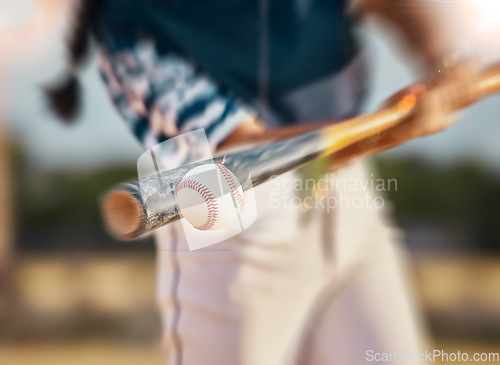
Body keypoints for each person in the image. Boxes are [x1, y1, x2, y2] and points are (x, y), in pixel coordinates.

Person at [46, 0, 478, 364]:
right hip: (230, 211)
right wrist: (384, 131)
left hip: (352, 193)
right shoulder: (129, 24)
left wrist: (442, 60)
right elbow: (240, 148)